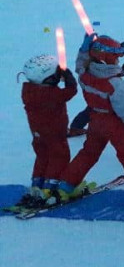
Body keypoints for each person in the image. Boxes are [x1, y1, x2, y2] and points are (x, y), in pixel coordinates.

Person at [55, 34, 124, 221]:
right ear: (107, 59)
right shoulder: (116, 84)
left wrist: (84, 50)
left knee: (88, 154)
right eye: (115, 57)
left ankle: (66, 185)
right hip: (115, 124)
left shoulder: (85, 75)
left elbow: (80, 64)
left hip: (95, 121)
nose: (118, 59)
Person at [15, 55, 78, 207]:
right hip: (55, 134)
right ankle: (50, 188)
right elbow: (70, 91)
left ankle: (36, 185)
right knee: (59, 157)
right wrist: (69, 77)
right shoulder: (51, 94)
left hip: (38, 134)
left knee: (42, 157)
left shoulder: (28, 90)